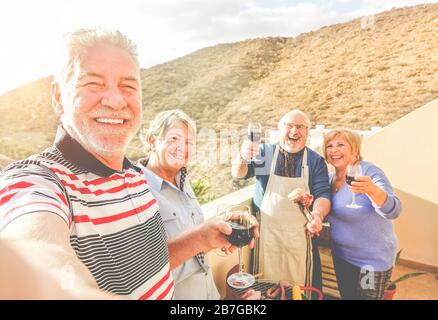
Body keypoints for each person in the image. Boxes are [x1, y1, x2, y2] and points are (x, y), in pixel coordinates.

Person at [0, 28, 244, 299]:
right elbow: (40, 255)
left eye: (128, 86)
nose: (115, 100)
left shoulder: (134, 177)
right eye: (93, 83)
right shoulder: (37, 181)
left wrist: (202, 237)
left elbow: (151, 265)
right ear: (58, 96)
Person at [231, 110, 331, 298]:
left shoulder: (316, 161)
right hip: (266, 235)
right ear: (279, 129)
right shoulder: (264, 153)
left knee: (301, 291)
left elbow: (323, 195)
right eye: (289, 126)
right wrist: (242, 157)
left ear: (307, 132)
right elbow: (239, 174)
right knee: (264, 290)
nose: (294, 131)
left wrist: (317, 215)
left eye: (300, 126)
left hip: (300, 236)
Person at [137, 109, 220, 299]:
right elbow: (146, 267)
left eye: (189, 142)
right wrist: (201, 237)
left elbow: (195, 243)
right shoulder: (137, 190)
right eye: (174, 139)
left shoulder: (182, 179)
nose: (183, 148)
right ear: (152, 141)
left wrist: (219, 233)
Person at [323, 128, 402, 300]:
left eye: (340, 145)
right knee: (348, 297)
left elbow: (394, 210)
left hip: (370, 263)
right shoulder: (329, 179)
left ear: (355, 149)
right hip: (341, 257)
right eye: (329, 146)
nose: (334, 150)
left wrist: (373, 190)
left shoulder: (369, 172)